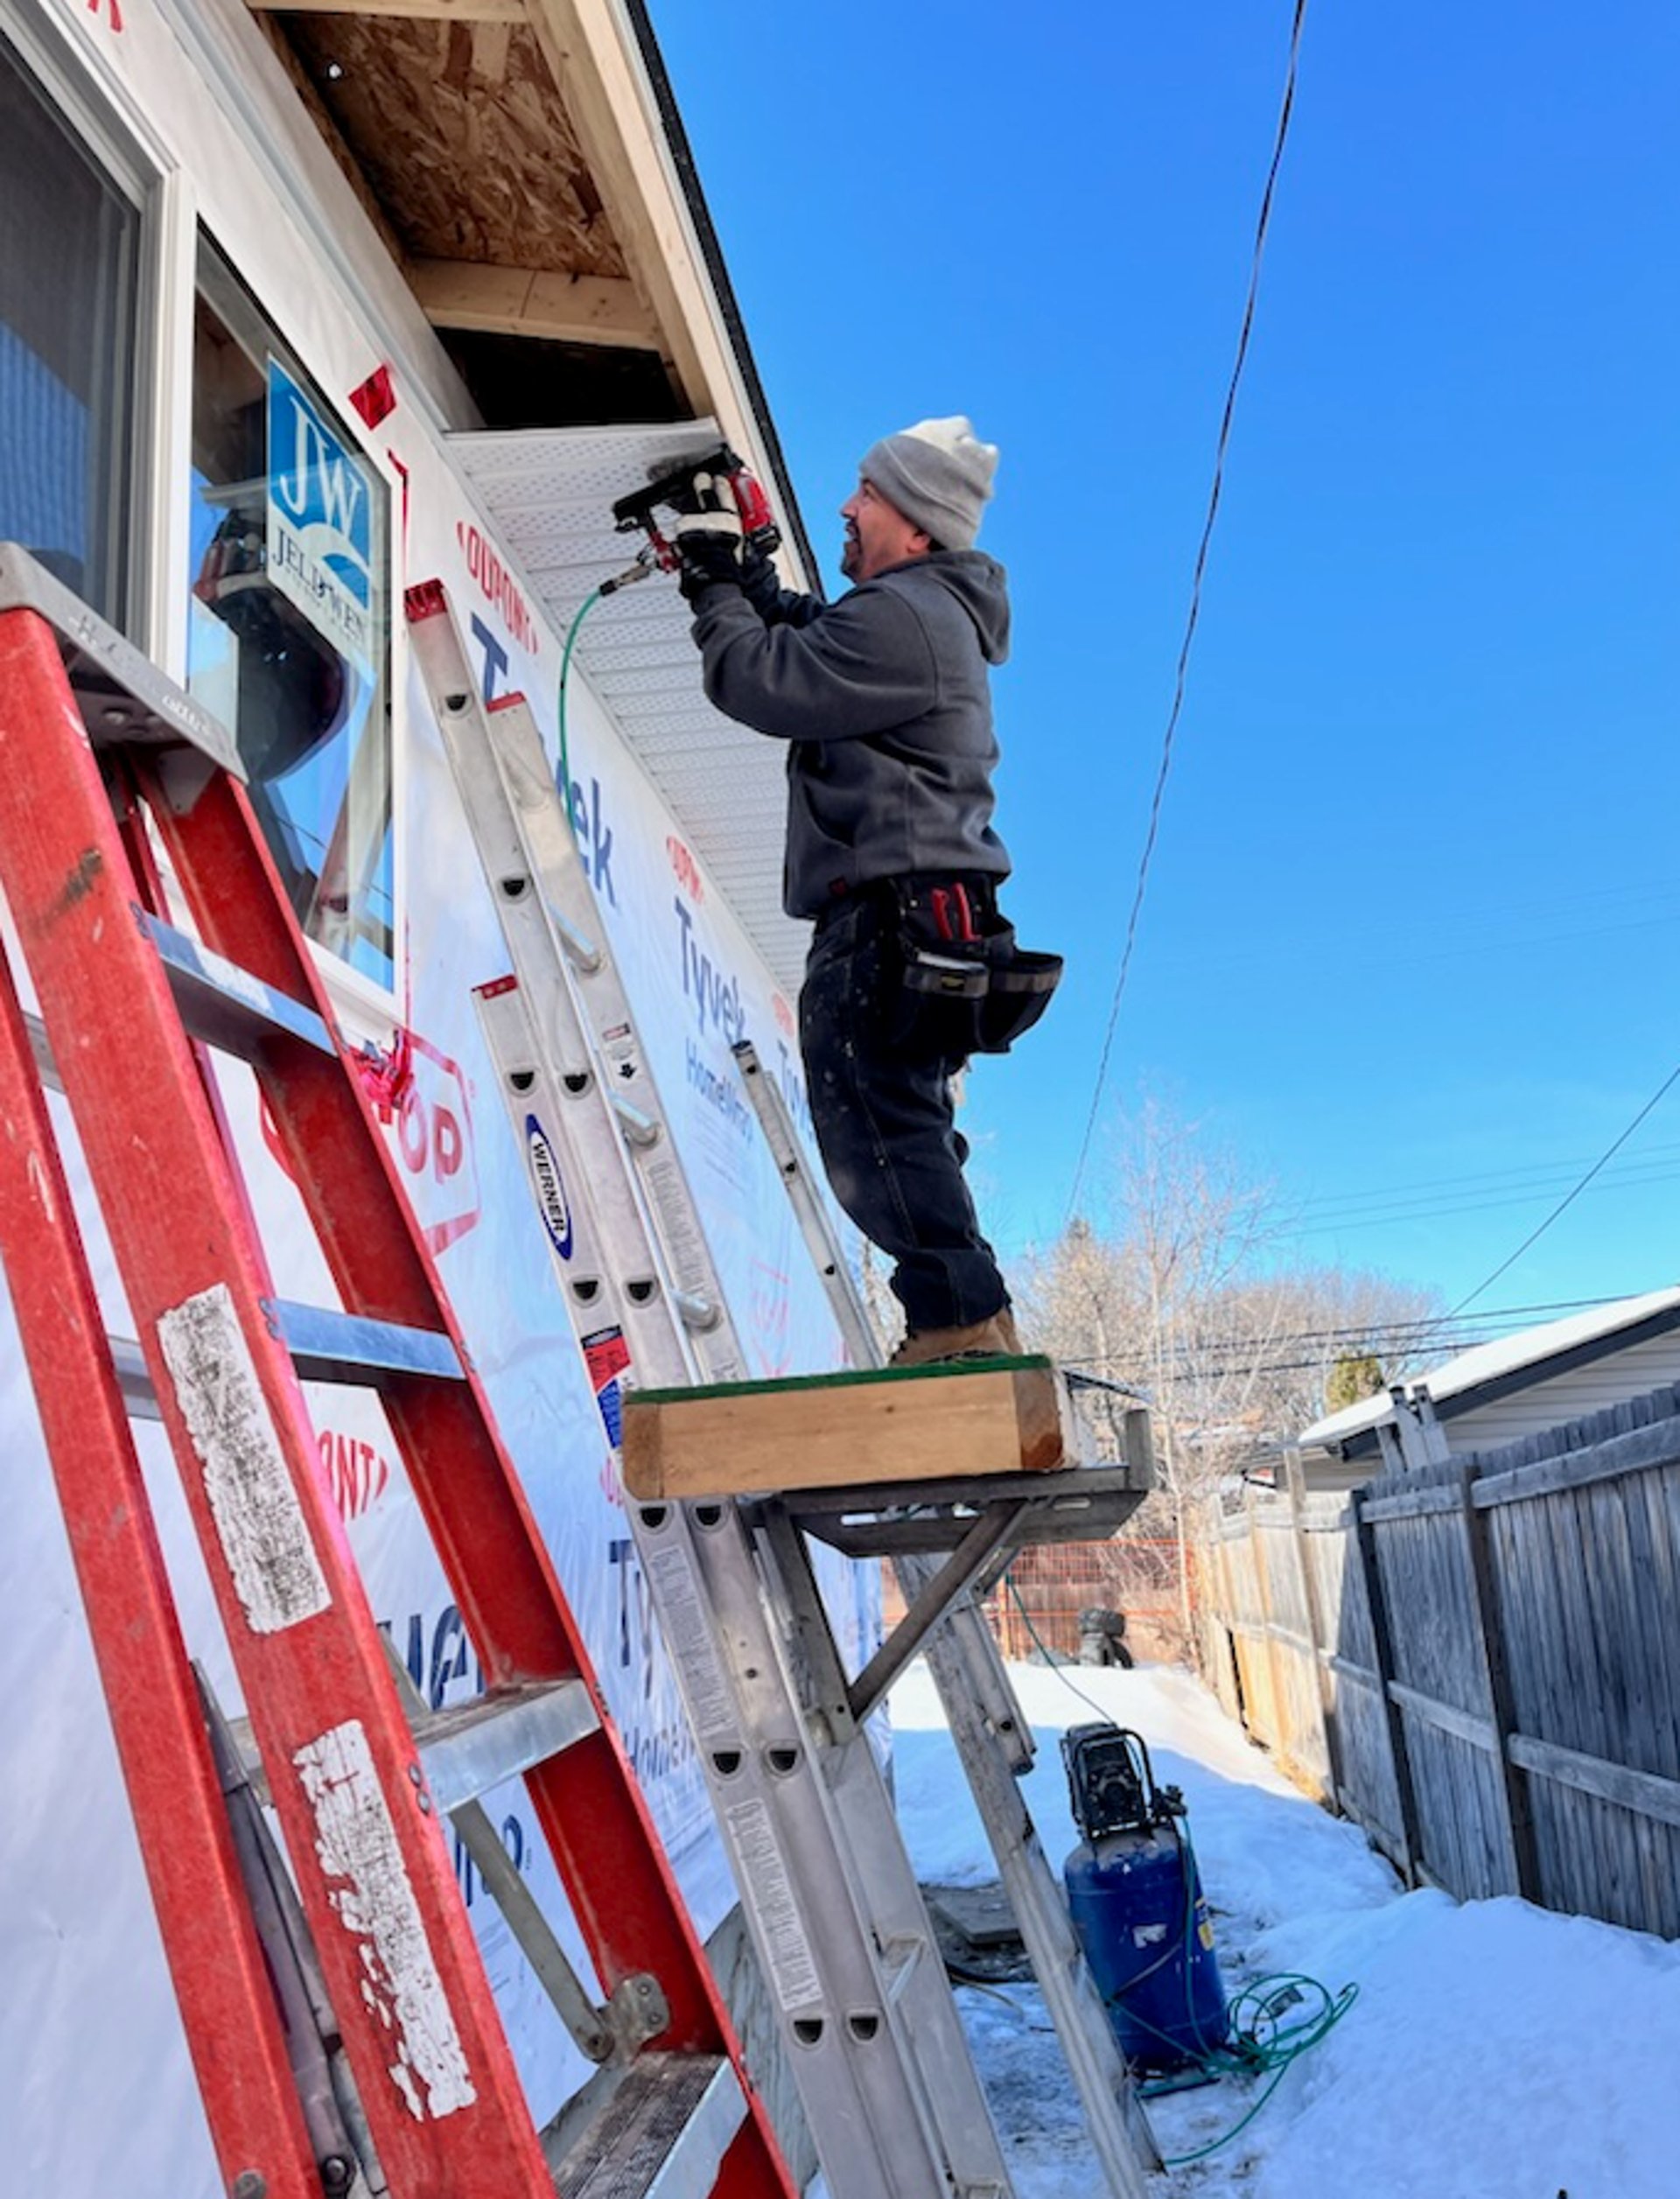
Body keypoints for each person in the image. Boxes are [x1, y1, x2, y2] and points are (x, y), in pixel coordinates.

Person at [673, 417, 1057, 1365]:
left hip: (891, 914)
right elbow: (811, 634)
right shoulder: (915, 616)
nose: (847, 508)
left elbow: (763, 677)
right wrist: (750, 580)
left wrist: (718, 582)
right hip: (922, 911)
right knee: (900, 1119)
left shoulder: (910, 616)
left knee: (870, 1124)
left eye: (868, 495)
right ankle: (964, 1321)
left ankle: (959, 1327)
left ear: (919, 527)